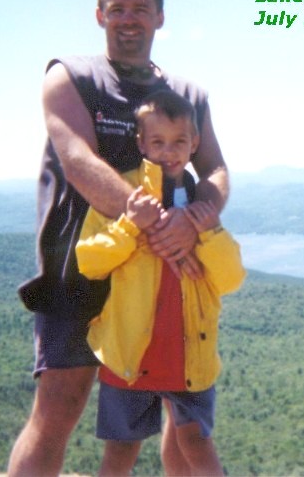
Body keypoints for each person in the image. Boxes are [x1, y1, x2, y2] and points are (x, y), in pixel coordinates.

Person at [9, 0, 229, 476]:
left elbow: (215, 169)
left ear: (159, 17)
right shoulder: (71, 77)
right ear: (99, 15)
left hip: (164, 278)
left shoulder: (187, 97)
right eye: (117, 9)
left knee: (179, 414)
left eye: (140, 9)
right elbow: (79, 160)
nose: (128, 18)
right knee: (59, 406)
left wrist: (198, 216)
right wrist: (155, 225)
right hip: (82, 270)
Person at [75, 90, 245, 476]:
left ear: (194, 143)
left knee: (195, 442)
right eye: (158, 142)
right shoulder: (127, 194)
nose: (169, 152)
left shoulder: (203, 203)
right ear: (141, 142)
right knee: (121, 450)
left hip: (190, 351)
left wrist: (210, 232)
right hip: (131, 352)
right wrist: (129, 224)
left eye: (179, 142)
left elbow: (231, 278)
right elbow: (90, 261)